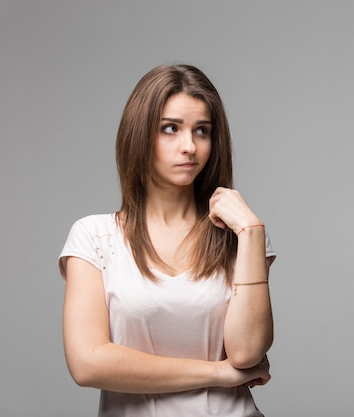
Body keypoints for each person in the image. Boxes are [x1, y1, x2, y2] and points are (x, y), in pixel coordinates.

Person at [58, 64, 276, 417]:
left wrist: (251, 233)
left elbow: (247, 352)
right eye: (170, 129)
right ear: (139, 134)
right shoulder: (94, 237)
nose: (189, 146)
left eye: (201, 131)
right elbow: (88, 364)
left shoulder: (240, 235)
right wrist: (218, 373)